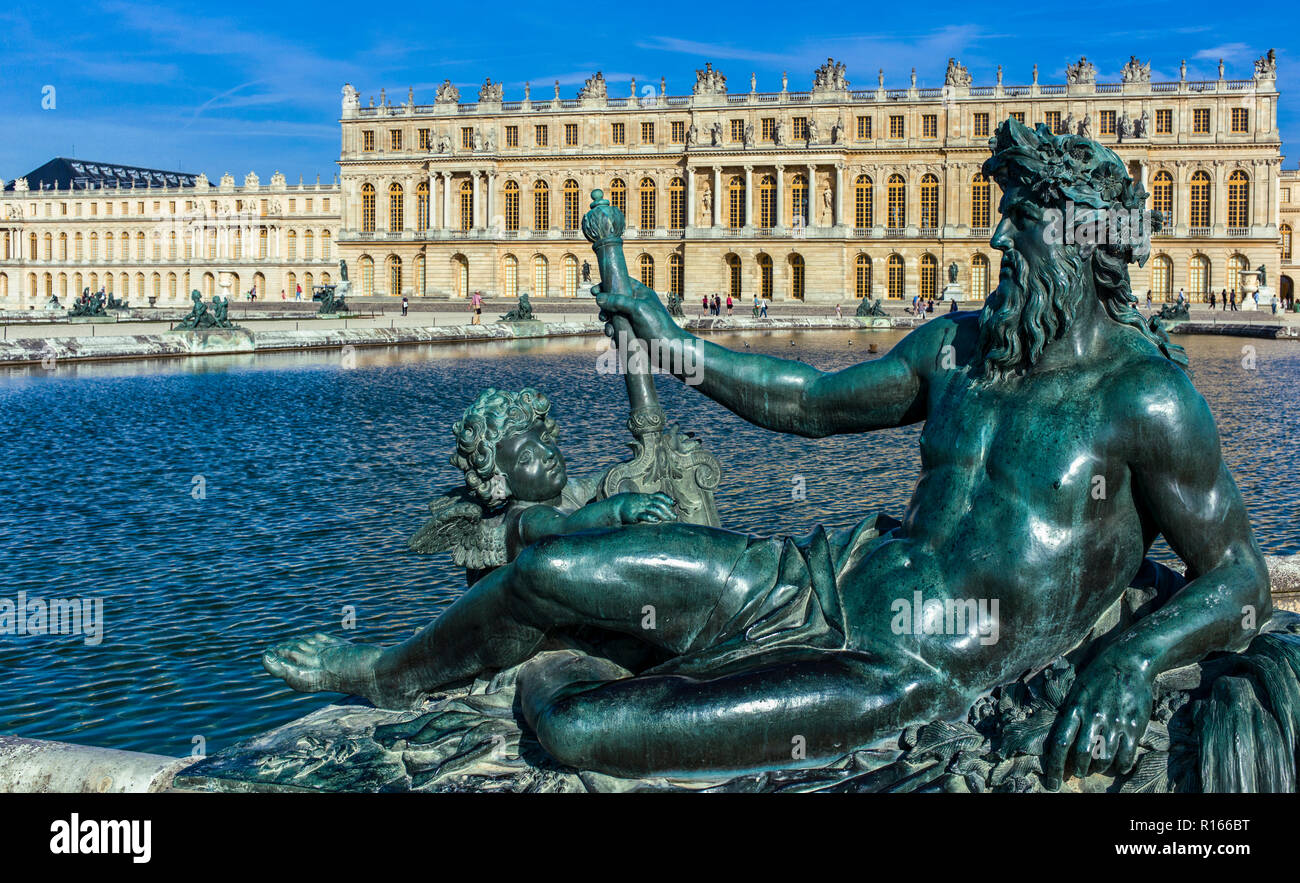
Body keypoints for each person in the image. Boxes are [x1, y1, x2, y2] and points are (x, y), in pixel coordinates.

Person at [267, 120, 1270, 782]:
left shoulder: (1145, 398)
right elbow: (810, 401)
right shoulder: (962, 347)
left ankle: (594, 669)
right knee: (547, 566)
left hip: (902, 664)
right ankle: (397, 673)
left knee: (576, 732)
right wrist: (669, 340)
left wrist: (1132, 658)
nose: (996, 250)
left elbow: (1236, 576)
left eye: (1019, 231)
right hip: (821, 577)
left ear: (1080, 244)